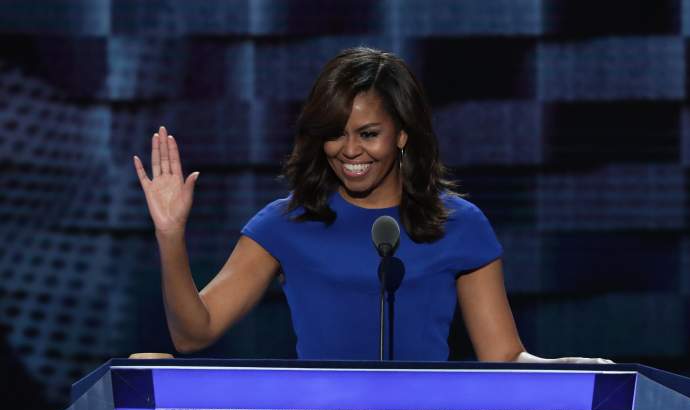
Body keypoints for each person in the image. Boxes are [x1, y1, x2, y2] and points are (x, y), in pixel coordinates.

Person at [132, 47, 610, 364]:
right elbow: (194, 334)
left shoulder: (459, 225)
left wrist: (562, 370)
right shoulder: (286, 224)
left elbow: (503, 359)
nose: (350, 150)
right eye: (335, 133)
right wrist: (170, 236)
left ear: (402, 134)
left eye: (368, 134)